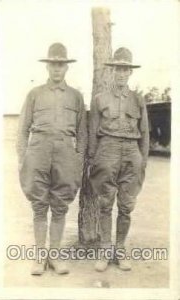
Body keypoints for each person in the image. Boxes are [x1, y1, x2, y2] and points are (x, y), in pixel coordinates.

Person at [16, 43, 87, 275]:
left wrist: (78, 159)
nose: (57, 69)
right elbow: (23, 129)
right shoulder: (35, 94)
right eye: (53, 64)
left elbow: (83, 132)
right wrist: (23, 157)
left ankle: (54, 257)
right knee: (39, 205)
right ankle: (39, 258)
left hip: (65, 152)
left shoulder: (76, 96)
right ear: (47, 67)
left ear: (66, 67)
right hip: (38, 150)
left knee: (59, 205)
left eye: (61, 65)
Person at [88, 47, 149, 272]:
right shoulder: (100, 99)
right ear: (112, 71)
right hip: (107, 150)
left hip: (132, 152)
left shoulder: (138, 100)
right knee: (105, 203)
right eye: (118, 69)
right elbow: (93, 131)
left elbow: (145, 133)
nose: (121, 73)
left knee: (126, 206)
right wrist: (94, 159)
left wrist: (143, 161)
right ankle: (105, 251)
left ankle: (120, 250)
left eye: (125, 70)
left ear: (130, 72)